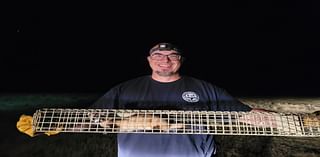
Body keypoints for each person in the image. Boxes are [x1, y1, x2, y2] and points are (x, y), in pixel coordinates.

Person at [91, 42, 253, 157]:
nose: (165, 60)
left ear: (181, 59)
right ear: (149, 60)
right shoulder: (125, 89)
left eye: (172, 55)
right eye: (158, 55)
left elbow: (245, 114)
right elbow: (90, 115)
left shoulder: (205, 88)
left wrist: (271, 118)